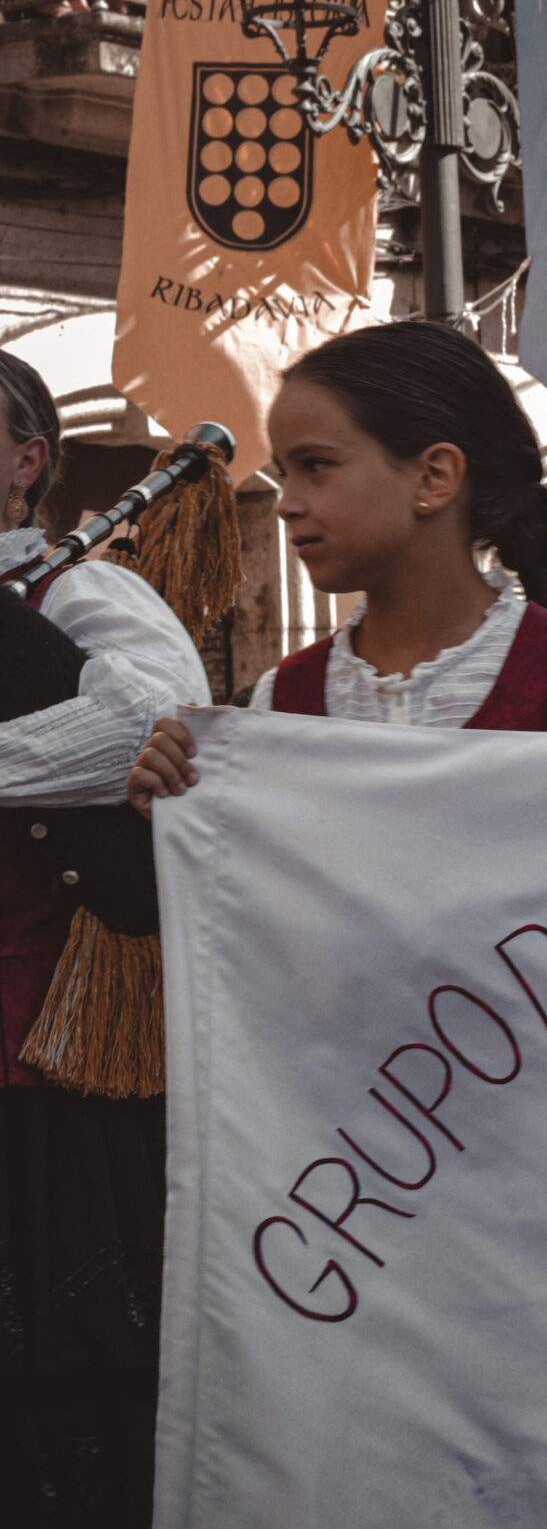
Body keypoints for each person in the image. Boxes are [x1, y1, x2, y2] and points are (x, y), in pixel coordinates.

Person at [126, 323, 547, 804]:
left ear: (434, 478)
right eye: (285, 473)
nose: (285, 503)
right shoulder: (281, 698)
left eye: (316, 466)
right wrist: (180, 808)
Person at [0, 351, 211, 1529]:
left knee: (66, 1395)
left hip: (48, 1066)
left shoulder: (80, 595)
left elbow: (156, 726)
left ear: (30, 463)